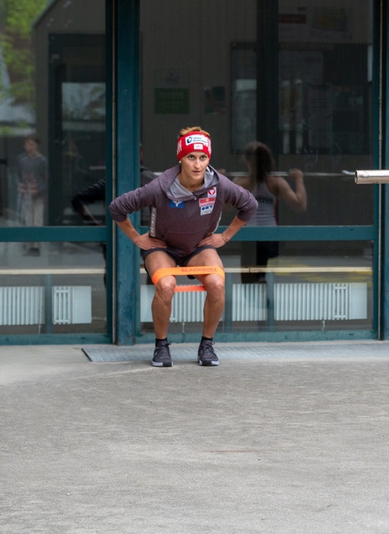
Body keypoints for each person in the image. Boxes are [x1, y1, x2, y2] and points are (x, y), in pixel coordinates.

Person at [109, 127, 258, 368]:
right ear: (181, 158)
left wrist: (225, 237)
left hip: (198, 247)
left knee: (217, 283)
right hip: (162, 247)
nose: (197, 164)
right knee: (166, 285)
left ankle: (207, 344)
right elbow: (117, 208)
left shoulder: (219, 185)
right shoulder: (159, 187)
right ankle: (161, 345)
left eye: (203, 157)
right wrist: (137, 239)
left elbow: (249, 205)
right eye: (191, 157)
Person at [232, 141, 307, 283]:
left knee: (249, 279)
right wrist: (299, 179)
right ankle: (261, 278)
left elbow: (223, 206)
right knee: (256, 275)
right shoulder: (276, 182)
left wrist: (219, 182)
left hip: (253, 238)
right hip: (268, 237)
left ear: (247, 160)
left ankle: (259, 280)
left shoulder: (241, 183)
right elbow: (300, 204)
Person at [16, 135, 48, 256]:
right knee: (28, 219)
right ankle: (30, 245)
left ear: (36, 146)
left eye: (31, 145)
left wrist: (38, 189)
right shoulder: (22, 160)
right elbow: (19, 176)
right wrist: (21, 186)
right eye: (27, 145)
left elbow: (46, 179)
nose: (29, 147)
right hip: (26, 194)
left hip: (38, 195)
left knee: (37, 220)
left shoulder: (42, 161)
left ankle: (37, 246)